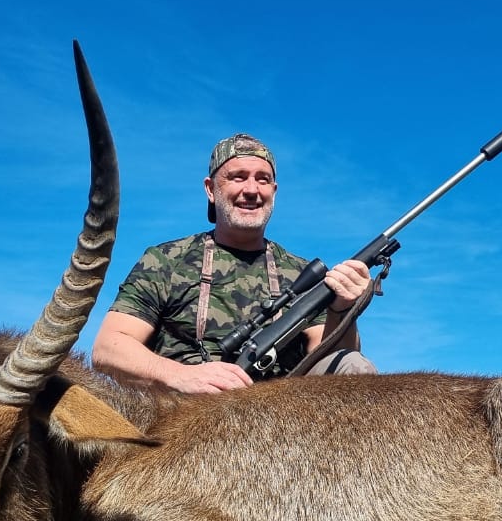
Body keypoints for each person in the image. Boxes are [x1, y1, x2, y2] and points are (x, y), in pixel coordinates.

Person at [91, 133, 377, 393]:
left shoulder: (302, 273)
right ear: (211, 189)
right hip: (185, 414)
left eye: (262, 179)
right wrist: (181, 375)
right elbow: (107, 348)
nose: (252, 189)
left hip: (282, 413)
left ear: (274, 191)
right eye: (238, 177)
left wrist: (342, 311)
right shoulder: (165, 260)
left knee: (354, 365)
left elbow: (334, 362)